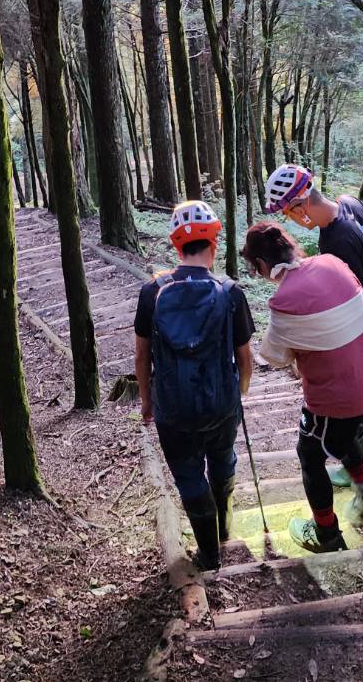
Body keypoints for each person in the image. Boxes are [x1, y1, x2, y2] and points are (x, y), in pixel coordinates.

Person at [241, 221, 363, 554]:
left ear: (262, 265)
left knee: (310, 454)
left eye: (255, 269)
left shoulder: (284, 300)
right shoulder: (331, 262)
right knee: (347, 431)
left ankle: (326, 535)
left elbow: (275, 357)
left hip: (341, 395)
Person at [135, 200, 255, 571]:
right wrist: (240, 392)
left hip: (173, 405)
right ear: (214, 243)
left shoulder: (152, 291)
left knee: (188, 474)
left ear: (176, 244)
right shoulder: (230, 291)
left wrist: (147, 400)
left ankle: (209, 555)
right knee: (222, 460)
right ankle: (224, 530)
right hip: (220, 402)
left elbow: (142, 357)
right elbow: (246, 357)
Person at [264, 163, 363, 485]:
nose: (290, 221)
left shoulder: (337, 242)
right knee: (362, 401)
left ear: (301, 205)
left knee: (350, 407)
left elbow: (350, 302)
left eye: (288, 213)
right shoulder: (349, 203)